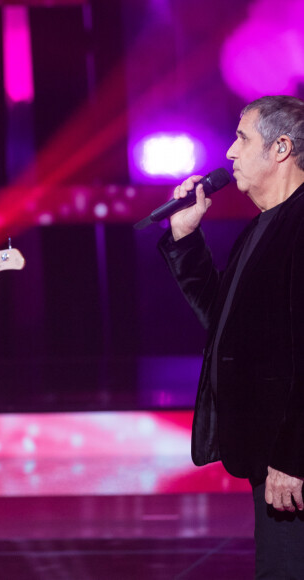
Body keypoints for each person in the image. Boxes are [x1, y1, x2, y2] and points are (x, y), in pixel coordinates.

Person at [158, 95, 304, 577]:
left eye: (242, 138)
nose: (229, 153)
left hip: (291, 460)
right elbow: (227, 325)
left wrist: (293, 454)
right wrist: (184, 238)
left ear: (281, 148)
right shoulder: (263, 227)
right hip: (269, 454)